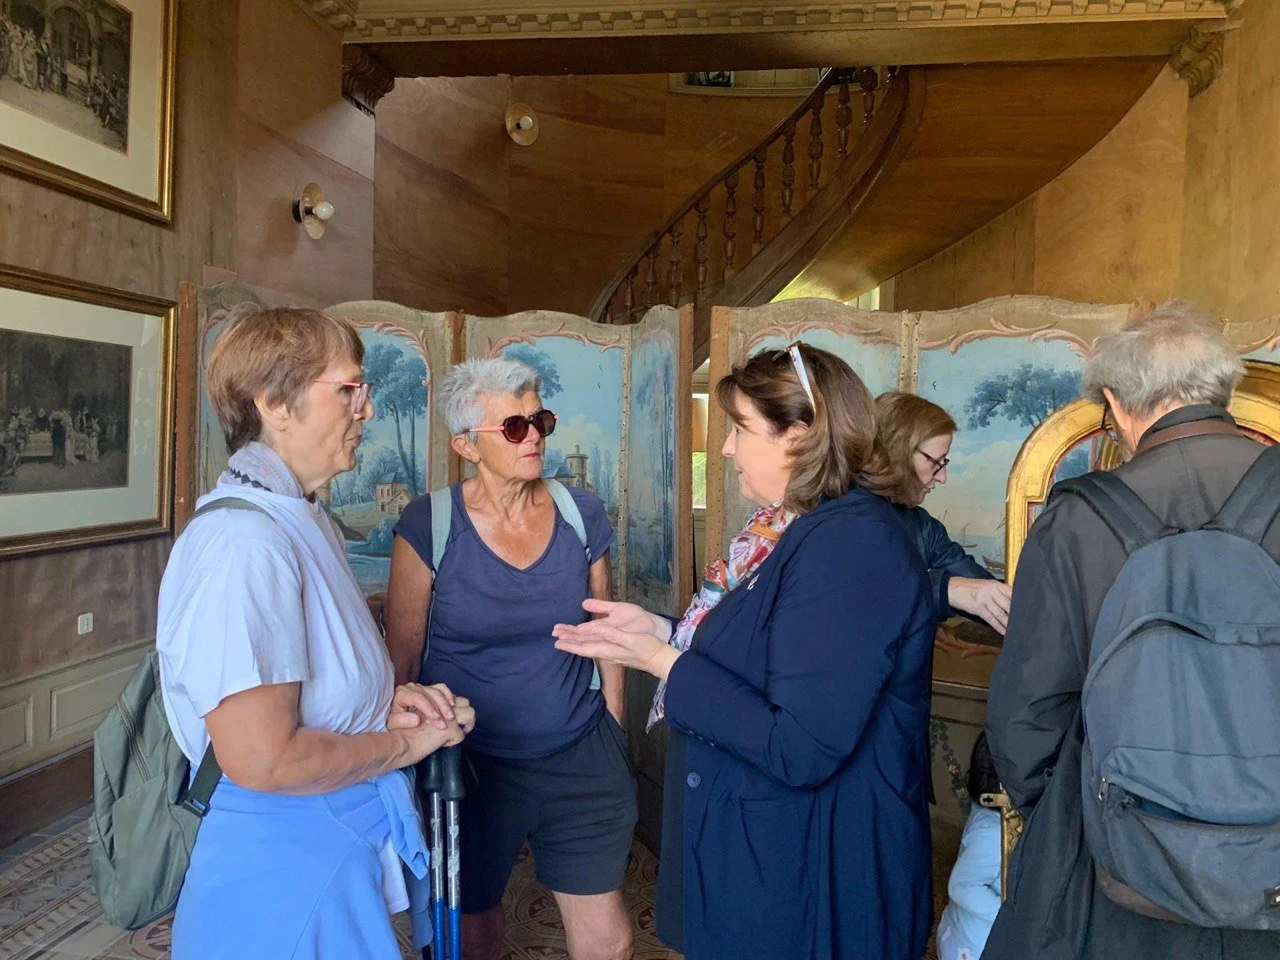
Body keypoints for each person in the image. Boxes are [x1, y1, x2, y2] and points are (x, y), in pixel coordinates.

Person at [553, 343, 936, 960]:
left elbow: (800, 747)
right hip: (773, 855)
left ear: (801, 436)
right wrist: (662, 628)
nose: (726, 448)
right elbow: (771, 650)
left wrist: (661, 661)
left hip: (813, 875)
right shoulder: (804, 528)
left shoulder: (849, 548)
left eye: (739, 428)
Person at [156, 306, 476, 960]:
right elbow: (265, 758)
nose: (367, 408)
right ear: (274, 402)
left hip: (320, 856)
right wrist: (404, 743)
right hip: (281, 876)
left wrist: (376, 706)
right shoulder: (245, 543)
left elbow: (308, 686)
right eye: (349, 389)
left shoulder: (301, 516)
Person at [984, 300, 1280, 959]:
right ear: (1226, 390)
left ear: (1116, 405)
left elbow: (1026, 716)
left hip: (1114, 866)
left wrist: (1075, 817)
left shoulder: (1077, 521)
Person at [385, 357, 635, 960]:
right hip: (471, 763)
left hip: (580, 750)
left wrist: (615, 731)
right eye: (516, 427)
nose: (537, 438)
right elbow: (403, 660)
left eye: (540, 420)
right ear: (466, 444)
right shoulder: (428, 524)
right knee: (476, 931)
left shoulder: (582, 513)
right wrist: (402, 770)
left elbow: (607, 631)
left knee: (614, 939)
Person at [876, 391, 1012, 633]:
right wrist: (947, 590)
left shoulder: (925, 528)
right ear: (898, 453)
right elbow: (861, 592)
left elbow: (982, 588)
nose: (943, 477)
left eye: (944, 464)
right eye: (936, 463)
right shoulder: (829, 519)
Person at [935, 734, 1002, 960]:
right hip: (972, 947)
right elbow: (963, 886)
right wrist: (1009, 913)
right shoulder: (992, 833)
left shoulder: (986, 811)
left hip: (965, 934)